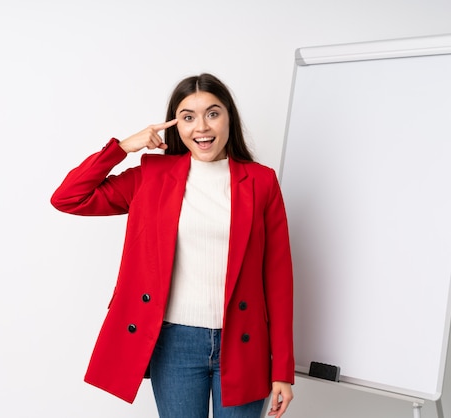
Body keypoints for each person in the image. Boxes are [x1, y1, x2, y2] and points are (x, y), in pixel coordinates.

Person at [51, 73, 295, 418]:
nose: (201, 127)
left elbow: (279, 279)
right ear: (175, 125)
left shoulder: (261, 181)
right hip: (175, 343)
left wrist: (282, 369)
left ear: (229, 117)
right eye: (188, 116)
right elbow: (68, 198)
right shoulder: (151, 175)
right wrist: (122, 147)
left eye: (213, 113)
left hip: (243, 342)